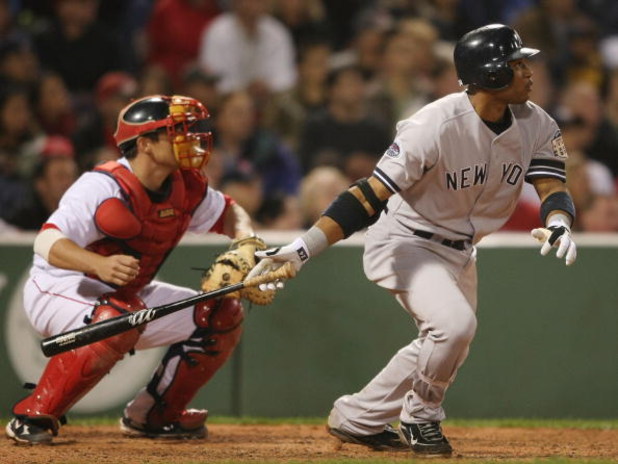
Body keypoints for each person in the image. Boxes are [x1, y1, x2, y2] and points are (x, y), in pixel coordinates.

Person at [247, 24, 578, 456]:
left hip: (461, 250)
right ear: (491, 74)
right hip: (408, 239)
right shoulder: (434, 123)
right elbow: (368, 194)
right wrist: (306, 246)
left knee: (444, 342)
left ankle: (357, 418)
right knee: (454, 326)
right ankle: (420, 417)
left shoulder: (537, 123)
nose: (529, 72)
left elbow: (553, 187)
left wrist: (559, 222)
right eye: (518, 64)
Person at [5, 95, 262, 445]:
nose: (191, 139)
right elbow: (47, 244)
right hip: (60, 286)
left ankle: (153, 416)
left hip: (125, 297)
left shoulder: (185, 184)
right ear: (144, 144)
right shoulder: (102, 186)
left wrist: (247, 243)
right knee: (120, 316)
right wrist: (99, 263)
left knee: (221, 312)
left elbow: (231, 213)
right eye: (177, 132)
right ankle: (33, 415)